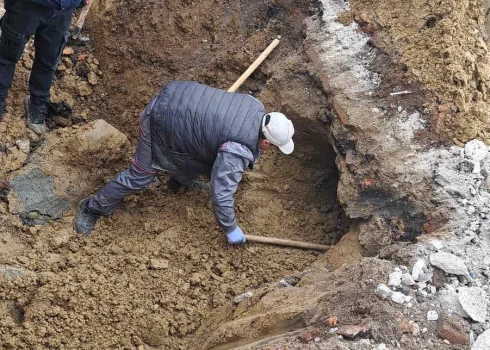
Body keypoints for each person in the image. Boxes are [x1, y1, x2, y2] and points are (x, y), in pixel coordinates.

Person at [74, 80, 295, 244]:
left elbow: (207, 143)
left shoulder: (254, 105)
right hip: (160, 120)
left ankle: (178, 181)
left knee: (204, 155)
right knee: (139, 177)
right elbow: (222, 193)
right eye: (273, 147)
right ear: (266, 142)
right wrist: (230, 228)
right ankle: (92, 207)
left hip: (177, 96)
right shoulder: (237, 150)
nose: (270, 151)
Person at [0, 0, 90, 133]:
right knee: (7, 56)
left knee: (49, 59)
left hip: (63, 10)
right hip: (27, 6)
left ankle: (37, 102)